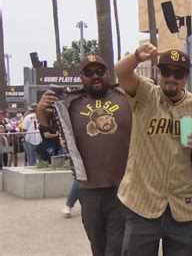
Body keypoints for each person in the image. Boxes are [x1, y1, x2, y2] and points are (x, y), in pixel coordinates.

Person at [114, 45, 192, 256]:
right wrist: (137, 56)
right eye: (166, 71)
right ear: (158, 73)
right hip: (142, 203)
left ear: (186, 77)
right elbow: (121, 71)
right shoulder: (145, 93)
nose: (171, 78)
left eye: (178, 73)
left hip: (182, 206)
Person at [37, 54, 132, 256]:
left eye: (100, 71)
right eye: (89, 72)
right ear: (81, 76)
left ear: (108, 73)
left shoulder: (126, 97)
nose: (95, 76)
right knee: (98, 247)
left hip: (123, 188)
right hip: (89, 191)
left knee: (116, 248)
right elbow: (47, 130)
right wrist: (41, 108)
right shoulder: (69, 105)